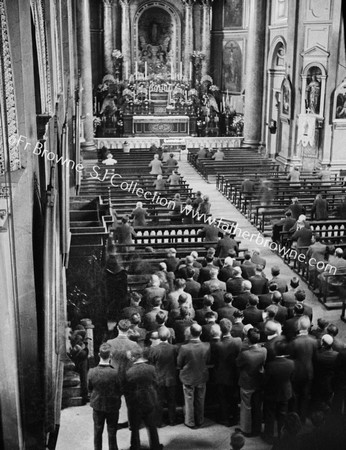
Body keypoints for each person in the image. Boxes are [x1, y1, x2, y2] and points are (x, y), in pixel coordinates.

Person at [124, 347, 163, 450]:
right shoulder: (151, 368)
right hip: (149, 399)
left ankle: (135, 446)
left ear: (133, 358)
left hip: (135, 401)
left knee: (135, 427)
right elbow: (157, 383)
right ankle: (155, 446)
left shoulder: (129, 372)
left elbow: (126, 388)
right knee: (152, 425)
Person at [87, 343, 121, 450]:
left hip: (97, 405)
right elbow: (120, 389)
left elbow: (89, 388)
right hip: (113, 405)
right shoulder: (115, 373)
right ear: (110, 355)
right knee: (112, 431)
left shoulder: (92, 372)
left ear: (98, 354)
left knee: (97, 431)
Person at [177, 323, 211, 428]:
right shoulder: (207, 346)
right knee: (201, 399)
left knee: (188, 400)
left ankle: (190, 421)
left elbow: (179, 363)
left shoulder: (184, 348)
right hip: (201, 375)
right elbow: (208, 360)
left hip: (188, 377)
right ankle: (200, 420)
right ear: (201, 333)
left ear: (190, 333)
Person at [236, 327, 267, 437]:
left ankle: (246, 429)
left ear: (247, 339)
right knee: (258, 406)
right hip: (258, 381)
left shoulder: (245, 354)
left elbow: (238, 364)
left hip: (247, 382)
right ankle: (257, 428)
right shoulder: (264, 351)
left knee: (246, 407)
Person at [148, 327, 178, 426]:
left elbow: (151, 364)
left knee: (158, 401)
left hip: (158, 378)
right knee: (172, 401)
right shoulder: (174, 348)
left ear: (158, 336)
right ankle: (172, 420)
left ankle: (158, 422)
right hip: (171, 377)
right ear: (169, 336)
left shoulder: (154, 349)